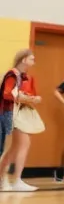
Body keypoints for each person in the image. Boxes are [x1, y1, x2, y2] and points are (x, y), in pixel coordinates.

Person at [0, 50, 44, 192]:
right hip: (10, 113)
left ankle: (12, 178)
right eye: (32, 59)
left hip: (19, 113)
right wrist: (23, 97)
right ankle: (9, 178)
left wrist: (32, 99)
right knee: (15, 147)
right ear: (24, 59)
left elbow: (29, 95)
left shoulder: (26, 77)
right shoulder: (12, 74)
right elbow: (7, 94)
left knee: (16, 147)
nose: (34, 62)